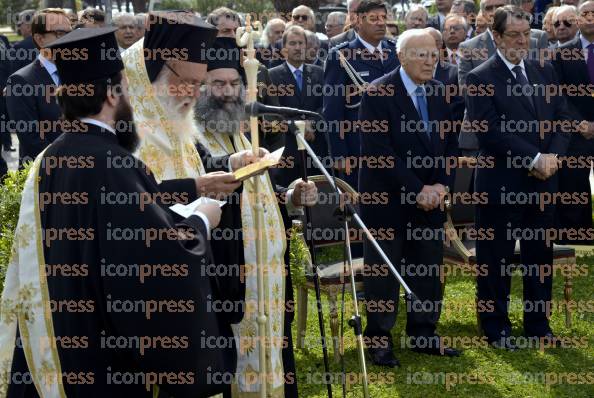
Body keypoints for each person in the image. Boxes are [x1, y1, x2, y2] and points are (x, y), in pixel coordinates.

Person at [0, 26, 232, 398]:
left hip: (68, 336)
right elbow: (155, 258)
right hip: (107, 355)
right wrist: (202, 219)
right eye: (123, 87)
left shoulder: (53, 157)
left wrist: (193, 189)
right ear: (110, 93)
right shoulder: (111, 164)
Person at [194, 36, 317, 398]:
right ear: (201, 88)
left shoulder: (243, 136)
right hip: (231, 275)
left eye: (235, 84)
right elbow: (198, 175)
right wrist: (228, 165)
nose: (228, 92)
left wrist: (291, 197)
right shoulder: (191, 137)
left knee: (275, 350)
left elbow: (260, 202)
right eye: (218, 84)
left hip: (269, 277)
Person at [466, 6, 575, 350]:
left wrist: (553, 156)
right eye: (515, 35)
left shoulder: (544, 69)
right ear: (496, 37)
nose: (523, 41)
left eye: (527, 34)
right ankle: (496, 328)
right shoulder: (480, 77)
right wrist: (533, 158)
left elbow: (562, 115)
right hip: (501, 184)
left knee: (538, 256)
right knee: (495, 258)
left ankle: (538, 325)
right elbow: (491, 133)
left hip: (544, 181)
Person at [358, 28, 460, 368]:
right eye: (422, 54)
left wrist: (442, 186)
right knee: (383, 276)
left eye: (434, 54)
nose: (430, 61)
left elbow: (449, 147)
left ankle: (424, 335)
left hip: (431, 201)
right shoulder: (377, 94)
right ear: (401, 57)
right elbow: (379, 155)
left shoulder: (442, 93)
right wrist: (417, 190)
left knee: (427, 270)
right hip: (387, 204)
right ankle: (379, 341)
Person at [323, 0, 400, 189]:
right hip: (359, 146)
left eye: (383, 18)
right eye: (373, 18)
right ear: (358, 21)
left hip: (398, 142)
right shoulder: (341, 56)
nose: (381, 23)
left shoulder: (396, 51)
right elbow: (333, 110)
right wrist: (340, 155)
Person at [6, 8, 72, 167]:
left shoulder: (79, 74)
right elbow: (32, 139)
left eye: (70, 32)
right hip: (46, 177)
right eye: (59, 33)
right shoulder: (21, 81)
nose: (69, 39)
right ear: (40, 39)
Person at [552, 0, 594, 243]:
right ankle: (577, 238)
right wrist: (582, 125)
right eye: (584, 14)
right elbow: (559, 94)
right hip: (577, 133)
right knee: (574, 185)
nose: (589, 18)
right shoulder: (561, 53)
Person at [269, 25, 326, 186]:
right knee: (291, 200)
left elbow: (325, 106)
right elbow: (273, 113)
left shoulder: (319, 73)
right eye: (292, 43)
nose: (298, 47)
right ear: (284, 48)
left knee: (318, 200)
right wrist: (298, 127)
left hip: (316, 149)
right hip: (287, 152)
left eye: (301, 43)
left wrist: (312, 123)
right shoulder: (272, 75)